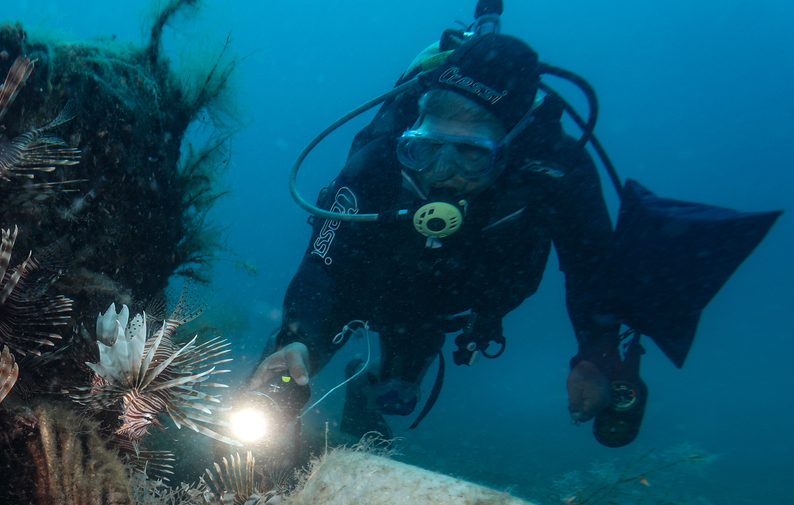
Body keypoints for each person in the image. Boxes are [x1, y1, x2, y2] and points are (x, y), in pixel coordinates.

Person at [248, 26, 627, 440]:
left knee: (398, 389)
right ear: (412, 133)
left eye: (471, 153)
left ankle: (365, 390)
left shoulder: (558, 172)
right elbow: (323, 261)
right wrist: (298, 335)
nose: (442, 172)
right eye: (425, 149)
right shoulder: (378, 159)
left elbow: (592, 270)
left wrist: (596, 353)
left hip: (455, 299)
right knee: (287, 367)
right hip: (366, 281)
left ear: (512, 147)